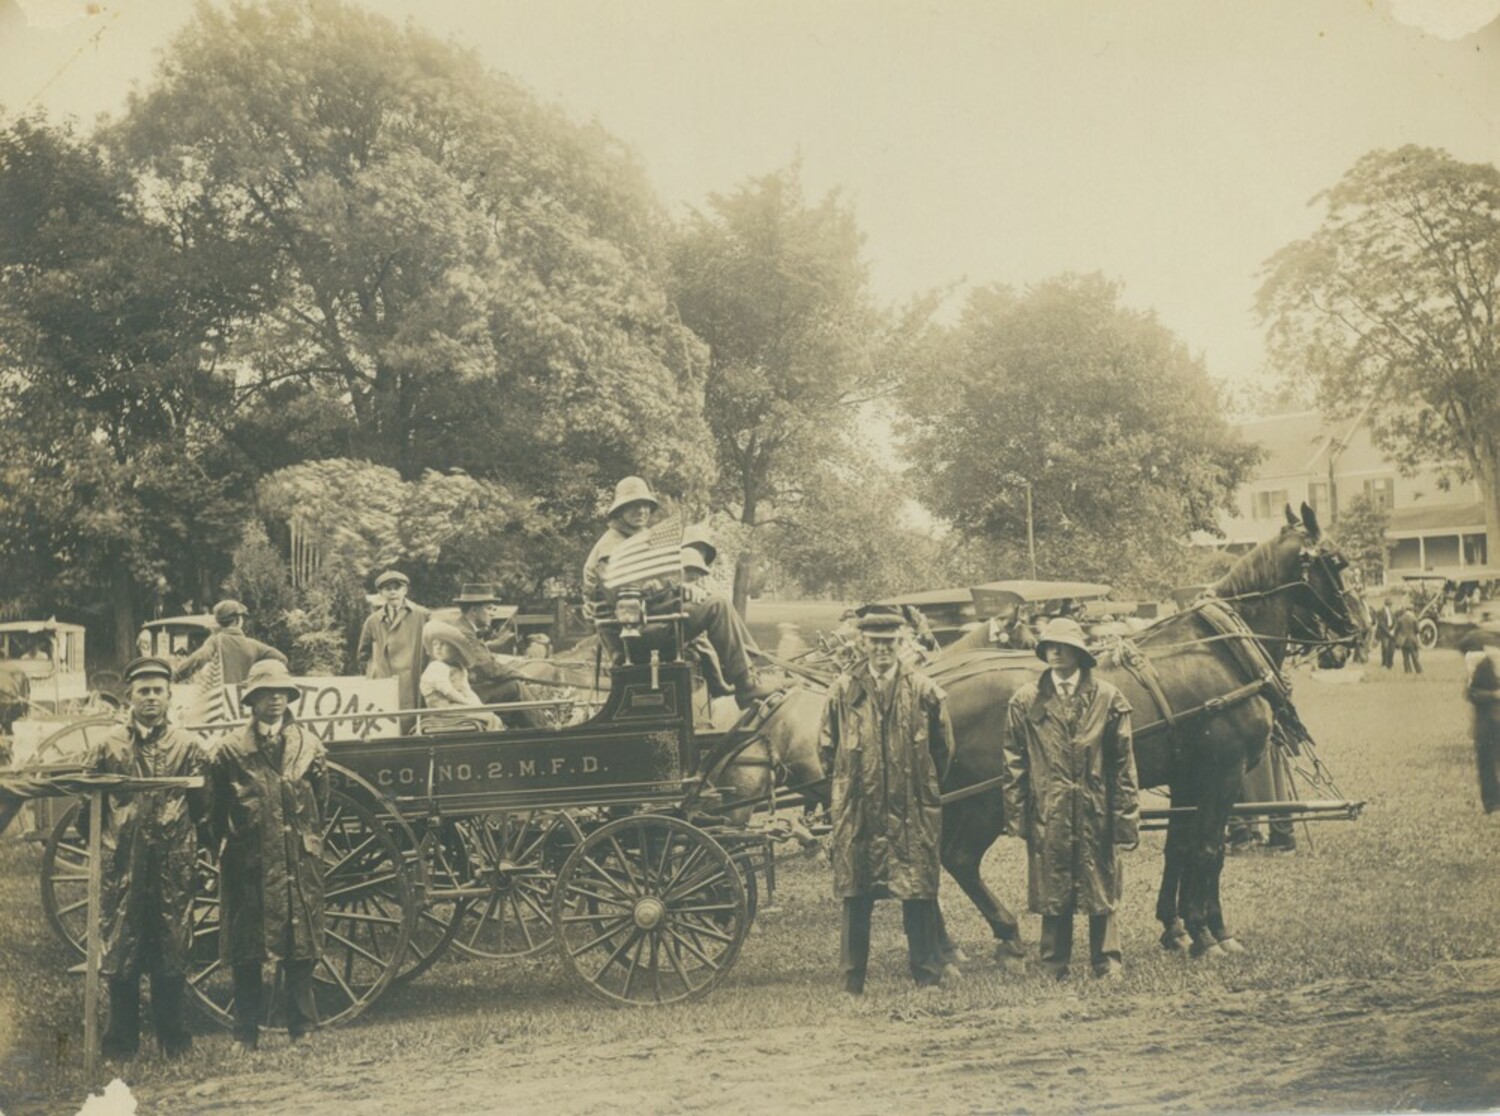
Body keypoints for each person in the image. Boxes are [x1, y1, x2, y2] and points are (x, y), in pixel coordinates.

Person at [818, 605, 955, 993]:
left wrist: (919, 788)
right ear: (862, 643)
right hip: (859, 807)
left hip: (911, 807)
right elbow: (827, 748)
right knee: (856, 894)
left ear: (902, 643)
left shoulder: (925, 690)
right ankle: (851, 982)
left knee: (918, 892)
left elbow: (943, 750)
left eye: (889, 643)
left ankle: (927, 976)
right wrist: (848, 785)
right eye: (874, 642)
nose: (882, 650)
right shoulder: (843, 690)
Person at [82, 656, 210, 1060]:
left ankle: (174, 1041)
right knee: (122, 949)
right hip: (124, 867)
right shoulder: (107, 746)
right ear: (129, 697)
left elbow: (202, 809)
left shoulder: (189, 747)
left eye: (158, 690)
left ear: (170, 696)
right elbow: (88, 813)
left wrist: (192, 853)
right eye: (143, 691)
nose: (151, 698)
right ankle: (120, 1044)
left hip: (173, 865)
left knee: (171, 947)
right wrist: (112, 849)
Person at [1002, 617, 1138, 981]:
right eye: (1049, 645)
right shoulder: (1026, 700)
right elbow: (1014, 761)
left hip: (1096, 807)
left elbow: (1123, 763)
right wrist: (1018, 816)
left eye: (1063, 646)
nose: (1055, 652)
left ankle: (1107, 961)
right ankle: (1052, 963)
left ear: (1080, 652)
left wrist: (1125, 816)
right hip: (1050, 809)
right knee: (1053, 882)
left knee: (1101, 883)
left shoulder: (1108, 698)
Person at [211, 660, 330, 1049]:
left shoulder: (308, 745)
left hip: (297, 859)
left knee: (301, 944)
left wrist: (304, 841)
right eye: (267, 693)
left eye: (282, 693)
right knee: (248, 949)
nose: (276, 700)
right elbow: (215, 811)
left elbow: (320, 802)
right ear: (252, 700)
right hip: (249, 864)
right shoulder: (230, 750)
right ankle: (245, 1032)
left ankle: (304, 1028)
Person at [582, 477, 773, 709]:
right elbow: (625, 597)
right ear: (620, 510)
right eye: (633, 505)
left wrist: (681, 589)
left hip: (649, 620)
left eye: (645, 505)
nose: (641, 510)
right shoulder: (610, 548)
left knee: (710, 600)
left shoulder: (633, 540)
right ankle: (746, 685)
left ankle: (744, 672)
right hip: (631, 636)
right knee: (717, 605)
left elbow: (658, 581)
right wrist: (675, 590)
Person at [356, 570, 430, 719]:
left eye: (397, 588)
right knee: (390, 722)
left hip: (415, 679)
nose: (393, 593)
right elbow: (363, 655)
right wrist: (376, 673)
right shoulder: (373, 621)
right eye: (387, 589)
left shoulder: (422, 615)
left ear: (405, 590)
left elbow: (433, 647)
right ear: (381, 593)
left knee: (414, 722)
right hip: (387, 681)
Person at [172, 599, 288, 685]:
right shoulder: (254, 645)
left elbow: (199, 658)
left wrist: (175, 676)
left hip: (222, 704)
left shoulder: (216, 641)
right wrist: (256, 679)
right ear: (238, 620)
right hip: (248, 701)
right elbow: (282, 659)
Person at [420, 620, 503, 732]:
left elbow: (466, 690)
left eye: (443, 644)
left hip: (456, 705)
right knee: (488, 717)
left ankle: (492, 740)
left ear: (455, 649)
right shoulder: (436, 667)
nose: (438, 648)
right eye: (435, 644)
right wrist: (467, 704)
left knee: (492, 716)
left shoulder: (459, 668)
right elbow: (448, 692)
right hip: (442, 708)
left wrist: (478, 705)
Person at [1395, 602, 1422, 674]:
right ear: (1411, 611)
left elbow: (1396, 630)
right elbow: (1418, 630)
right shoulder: (1414, 619)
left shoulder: (1400, 619)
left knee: (1405, 658)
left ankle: (1408, 671)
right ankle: (1419, 670)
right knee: (1414, 657)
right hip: (1412, 640)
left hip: (1403, 641)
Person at [1374, 598, 1398, 670]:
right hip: (1384, 632)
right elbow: (1381, 624)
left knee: (1392, 648)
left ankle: (1390, 664)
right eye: (1390, 603)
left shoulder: (1391, 612)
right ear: (1386, 604)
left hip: (1391, 631)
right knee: (1385, 648)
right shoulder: (1380, 612)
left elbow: (1395, 621)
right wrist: (1389, 632)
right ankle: (1384, 664)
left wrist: (1393, 630)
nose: (1391, 605)